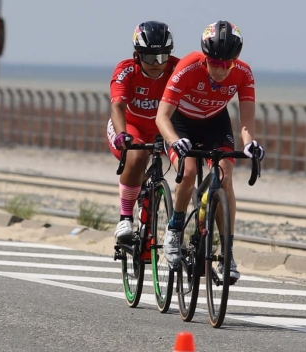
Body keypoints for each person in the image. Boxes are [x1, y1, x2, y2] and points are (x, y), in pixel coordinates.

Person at [155, 20, 264, 281]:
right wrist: (173, 140)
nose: (220, 69)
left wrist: (250, 143)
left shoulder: (244, 74)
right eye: (214, 62)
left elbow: (247, 122)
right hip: (181, 124)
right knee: (190, 171)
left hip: (215, 123)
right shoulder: (189, 66)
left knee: (225, 177)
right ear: (205, 57)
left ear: (235, 60)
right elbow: (162, 117)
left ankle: (227, 253)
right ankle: (174, 229)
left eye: (227, 64)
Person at [107, 21, 180, 241]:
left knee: (187, 165)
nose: (157, 64)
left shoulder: (178, 69)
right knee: (136, 155)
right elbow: (117, 106)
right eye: (150, 58)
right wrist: (122, 135)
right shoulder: (126, 70)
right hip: (130, 126)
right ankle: (125, 218)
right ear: (137, 55)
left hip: (161, 129)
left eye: (162, 57)